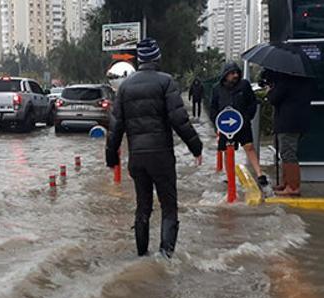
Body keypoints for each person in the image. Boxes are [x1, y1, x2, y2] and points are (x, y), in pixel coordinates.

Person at [106, 38, 203, 258]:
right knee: (169, 207)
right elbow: (179, 119)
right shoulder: (166, 82)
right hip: (161, 157)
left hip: (137, 159)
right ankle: (165, 259)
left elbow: (115, 127)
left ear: (139, 60)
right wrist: (196, 147)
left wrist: (111, 158)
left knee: (143, 207)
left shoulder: (125, 87)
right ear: (157, 58)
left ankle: (142, 257)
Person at [210, 62, 268, 187]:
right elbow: (213, 108)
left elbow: (252, 103)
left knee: (249, 147)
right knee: (227, 150)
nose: (235, 75)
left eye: (237, 72)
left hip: (242, 123)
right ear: (225, 75)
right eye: (232, 73)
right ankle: (229, 176)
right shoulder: (217, 88)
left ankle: (260, 174)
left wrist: (247, 118)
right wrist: (217, 126)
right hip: (225, 126)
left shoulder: (244, 85)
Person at [265, 69, 314, 196]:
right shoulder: (303, 79)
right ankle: (286, 183)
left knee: (288, 153)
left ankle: (292, 187)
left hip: (288, 123)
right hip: (298, 121)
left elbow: (273, 98)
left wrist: (269, 91)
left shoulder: (285, 80)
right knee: (285, 153)